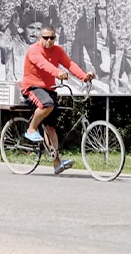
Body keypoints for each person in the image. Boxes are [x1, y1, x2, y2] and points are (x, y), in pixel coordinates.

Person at [21, 26, 95, 174]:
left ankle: (57, 163)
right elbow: (43, 64)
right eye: (45, 38)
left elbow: (69, 64)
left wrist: (84, 76)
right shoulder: (34, 50)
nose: (49, 41)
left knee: (51, 128)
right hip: (32, 88)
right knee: (47, 104)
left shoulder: (57, 50)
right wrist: (58, 72)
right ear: (40, 38)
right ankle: (31, 129)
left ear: (55, 38)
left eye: (52, 38)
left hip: (49, 89)